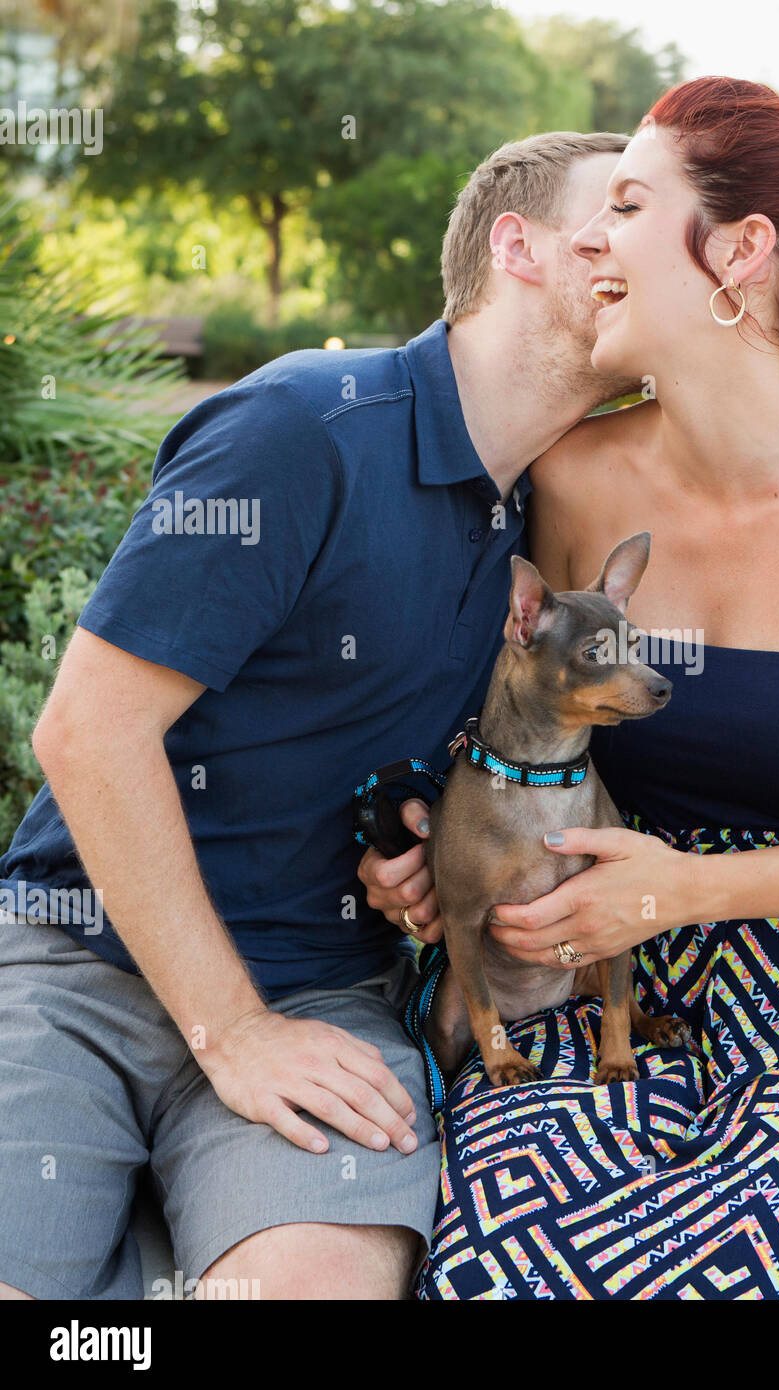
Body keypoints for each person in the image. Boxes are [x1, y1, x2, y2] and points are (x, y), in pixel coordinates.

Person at [362, 77, 779, 1300]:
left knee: (766, 1244)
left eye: (626, 205)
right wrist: (430, 845)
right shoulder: (567, 483)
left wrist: (693, 890)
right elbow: (510, 734)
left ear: (739, 252)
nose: (593, 242)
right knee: (517, 1255)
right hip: (597, 974)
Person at [0, 130, 638, 1300]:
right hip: (74, 965)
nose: (651, 248)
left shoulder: (543, 524)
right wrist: (230, 1032)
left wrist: (412, 843)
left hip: (325, 995)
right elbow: (87, 732)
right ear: (520, 247)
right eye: (622, 212)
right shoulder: (305, 427)